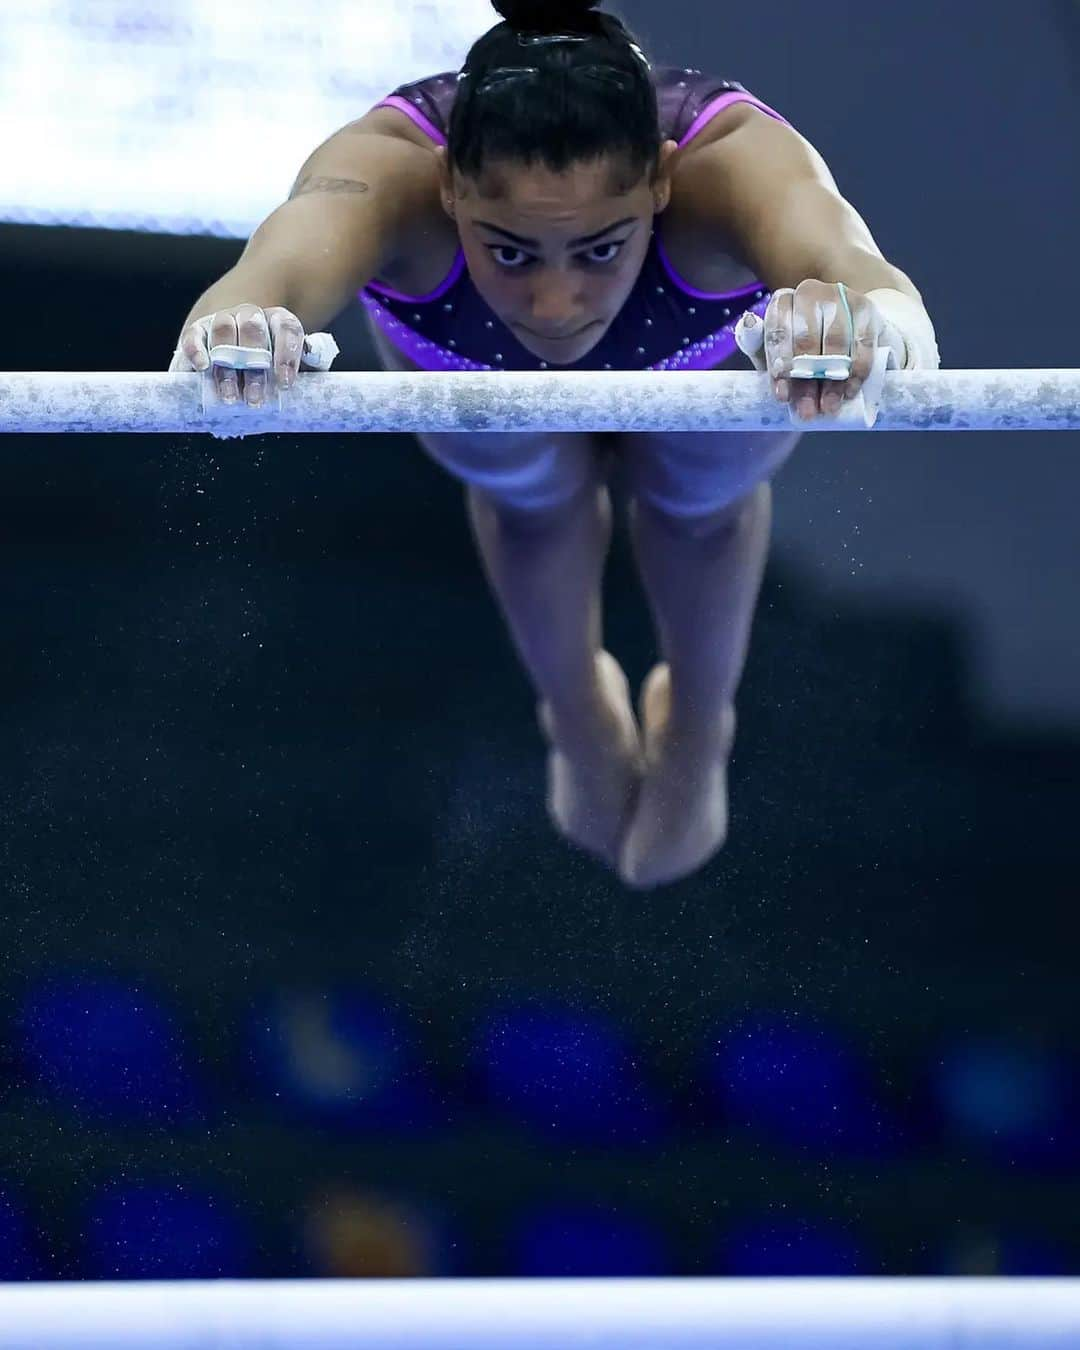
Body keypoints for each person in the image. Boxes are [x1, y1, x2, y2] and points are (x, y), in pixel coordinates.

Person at [172, 0, 940, 890]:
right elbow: (246, 296)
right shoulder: (382, 173)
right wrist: (243, 337)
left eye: (601, 249)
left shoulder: (733, 166)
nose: (555, 303)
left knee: (700, 495)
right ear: (449, 182)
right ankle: (577, 713)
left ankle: (697, 724)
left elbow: (887, 300)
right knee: (529, 494)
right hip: (467, 359)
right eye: (509, 253)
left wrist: (858, 329)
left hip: (691, 356)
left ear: (662, 176)